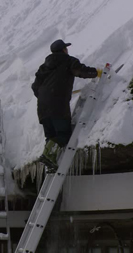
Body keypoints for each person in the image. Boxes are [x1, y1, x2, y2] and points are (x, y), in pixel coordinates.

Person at [31, 39, 102, 170]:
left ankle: (50, 163)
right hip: (58, 105)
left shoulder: (44, 66)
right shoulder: (67, 60)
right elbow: (81, 71)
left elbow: (35, 86)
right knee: (64, 134)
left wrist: (44, 97)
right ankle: (47, 156)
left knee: (51, 136)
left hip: (42, 108)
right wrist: (96, 73)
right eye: (66, 48)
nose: (67, 50)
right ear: (63, 50)